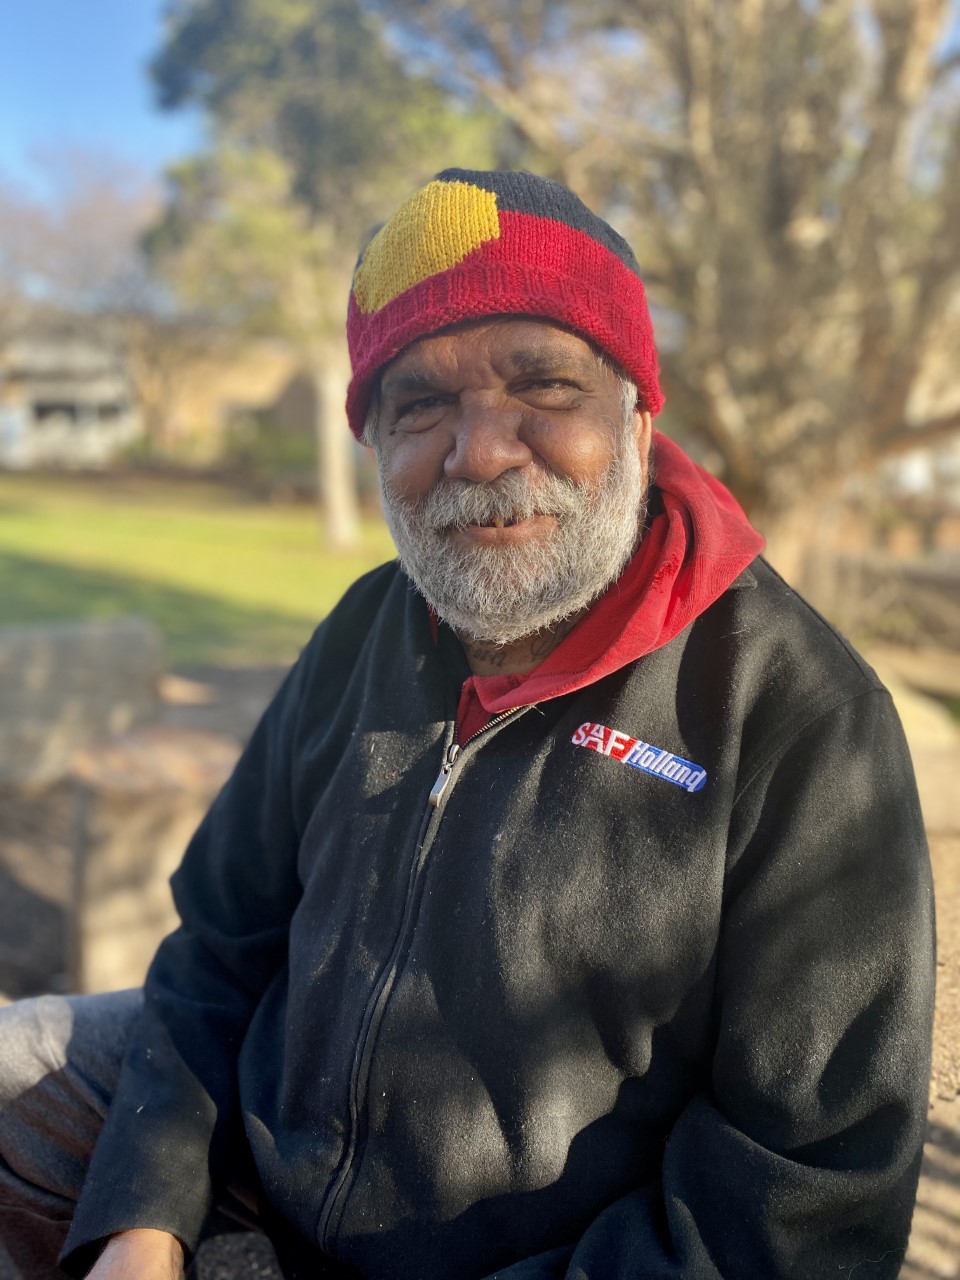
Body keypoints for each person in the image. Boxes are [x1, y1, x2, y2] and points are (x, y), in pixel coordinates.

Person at [0, 169, 935, 1280]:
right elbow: (218, 943)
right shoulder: (368, 627)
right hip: (259, 1156)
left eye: (542, 383)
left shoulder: (798, 717)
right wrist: (141, 1220)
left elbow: (807, 1199)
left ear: (637, 408)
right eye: (421, 404)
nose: (480, 451)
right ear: (373, 442)